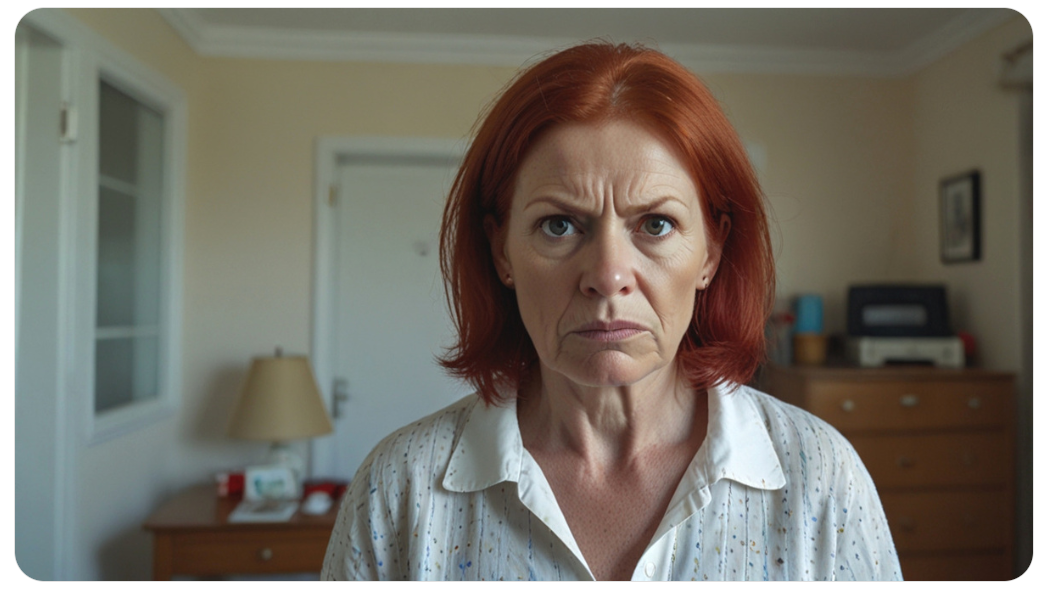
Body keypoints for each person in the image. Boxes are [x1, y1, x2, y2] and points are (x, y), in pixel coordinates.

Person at [321, 42, 901, 581]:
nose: (607, 275)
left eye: (656, 224)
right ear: (502, 251)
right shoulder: (398, 491)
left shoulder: (821, 479)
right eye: (559, 225)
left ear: (711, 252)